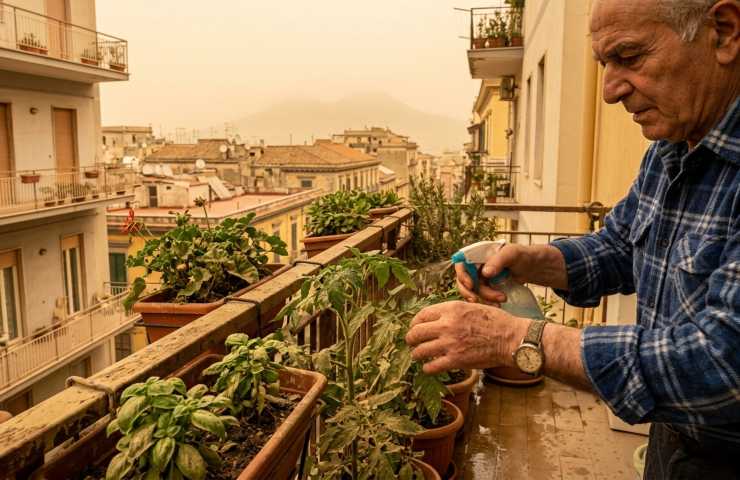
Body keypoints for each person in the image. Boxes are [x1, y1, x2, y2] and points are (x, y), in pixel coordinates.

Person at [405, 0, 740, 477]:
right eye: (604, 64)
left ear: (723, 33)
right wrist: (530, 260)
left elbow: (724, 361)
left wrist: (517, 338)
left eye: (629, 56)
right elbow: (622, 244)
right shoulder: (673, 144)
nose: (609, 91)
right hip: (674, 437)